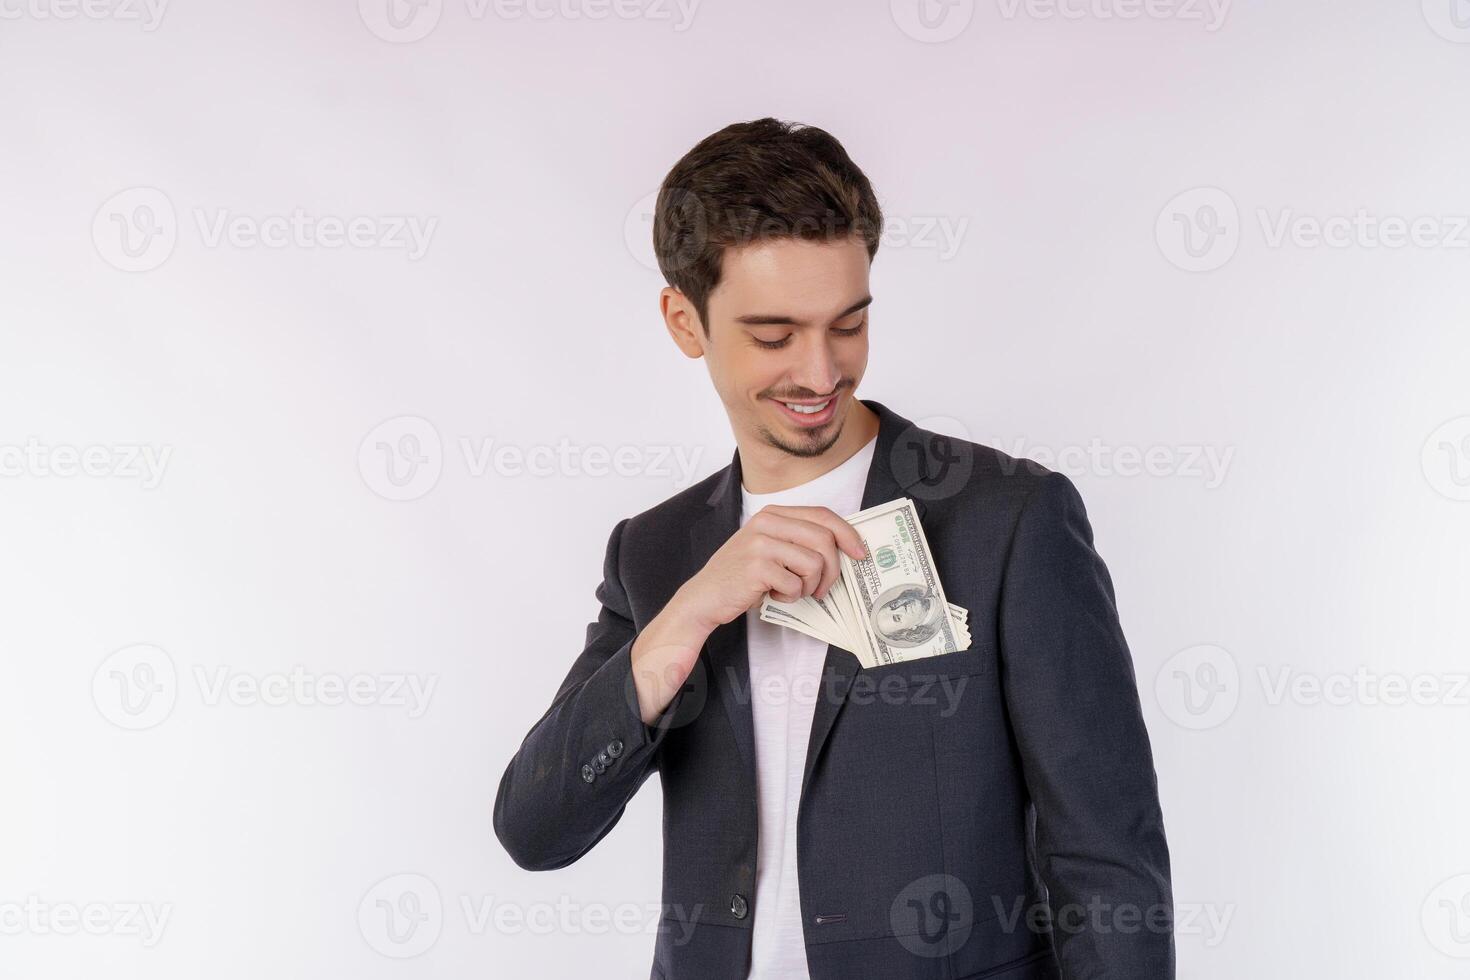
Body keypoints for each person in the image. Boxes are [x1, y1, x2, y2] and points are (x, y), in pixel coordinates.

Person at [494, 117, 1174, 979]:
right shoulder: (655, 554)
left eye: (848, 325)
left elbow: (1109, 865)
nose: (820, 374)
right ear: (683, 321)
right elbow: (534, 830)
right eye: (774, 337)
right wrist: (684, 620)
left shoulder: (1011, 520)